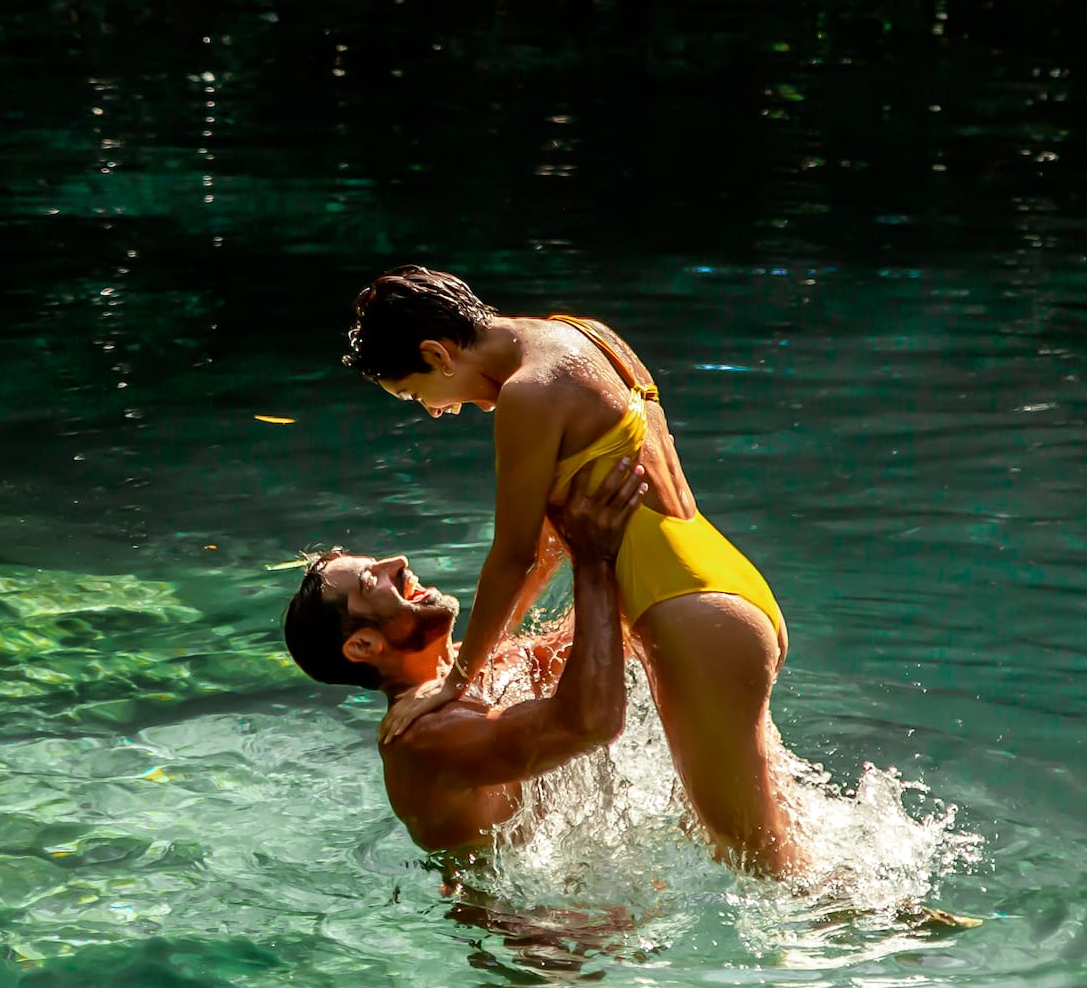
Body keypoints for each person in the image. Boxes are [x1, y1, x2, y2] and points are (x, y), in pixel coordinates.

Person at [342, 266, 799, 877]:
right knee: (750, 827)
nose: (434, 411)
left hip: (692, 616)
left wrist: (456, 681)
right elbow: (555, 540)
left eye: (417, 392)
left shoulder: (528, 393)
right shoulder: (584, 334)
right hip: (723, 582)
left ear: (436, 353)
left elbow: (514, 555)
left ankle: (893, 933)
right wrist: (489, 653)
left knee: (759, 862)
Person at [281, 458, 651, 852]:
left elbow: (606, 637)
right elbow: (591, 723)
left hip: (585, 885)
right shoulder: (423, 740)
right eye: (373, 581)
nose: (400, 563)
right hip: (528, 913)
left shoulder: (472, 665)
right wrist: (595, 562)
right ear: (363, 646)